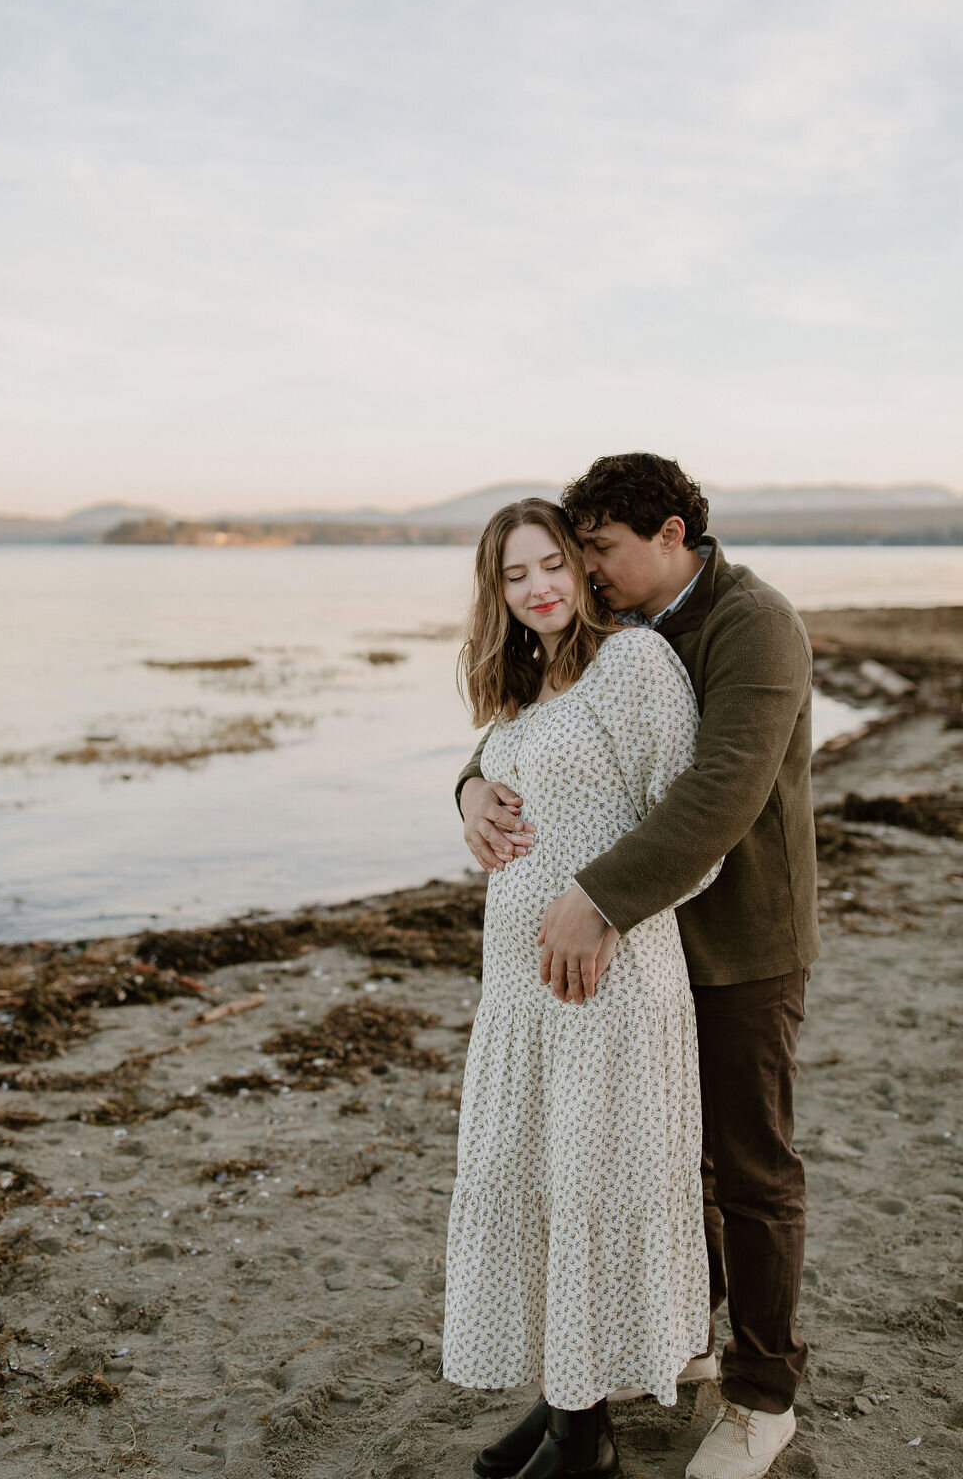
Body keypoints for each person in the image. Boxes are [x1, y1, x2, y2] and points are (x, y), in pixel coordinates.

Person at [458, 454, 816, 1479]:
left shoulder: (752, 623)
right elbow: (538, 722)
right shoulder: (622, 627)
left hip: (741, 937)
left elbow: (718, 791)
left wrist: (599, 900)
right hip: (636, 948)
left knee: (748, 1166)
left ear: (671, 537)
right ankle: (679, 1344)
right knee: (667, 1157)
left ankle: (761, 1396)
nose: (583, 572)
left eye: (598, 551)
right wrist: (469, 792)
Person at [443, 497, 720, 1479]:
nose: (537, 588)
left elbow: (690, 834)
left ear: (579, 564)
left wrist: (601, 910)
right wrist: (470, 794)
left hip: (605, 986)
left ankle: (585, 1438)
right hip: (522, 997)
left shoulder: (634, 665)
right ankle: (565, 1406)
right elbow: (501, 781)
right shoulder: (531, 684)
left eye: (550, 564)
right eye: (513, 576)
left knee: (594, 1193)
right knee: (542, 1194)